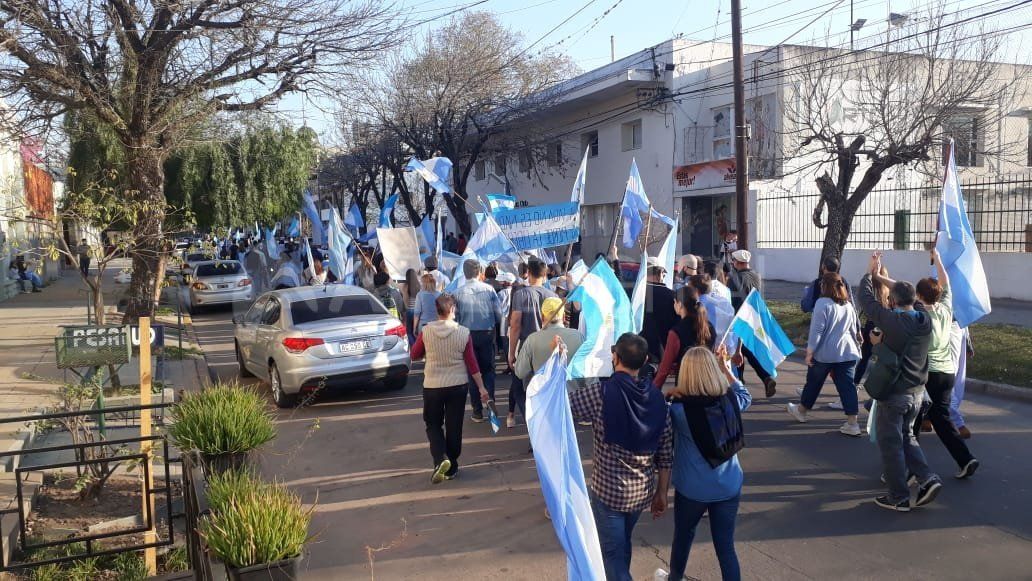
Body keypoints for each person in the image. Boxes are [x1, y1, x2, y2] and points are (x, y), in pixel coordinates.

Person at [569, 333, 672, 581]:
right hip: (641, 493)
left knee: (613, 556)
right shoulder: (657, 398)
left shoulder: (600, 394)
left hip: (609, 493)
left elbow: (562, 405)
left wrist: (557, 363)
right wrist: (662, 493)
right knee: (621, 545)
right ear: (645, 360)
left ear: (615, 358)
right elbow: (666, 453)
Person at [656, 346, 750, 581]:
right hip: (729, 484)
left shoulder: (678, 410)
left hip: (692, 488)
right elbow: (745, 396)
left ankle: (675, 577)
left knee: (683, 536)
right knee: (725, 547)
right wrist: (726, 370)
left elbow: (660, 424)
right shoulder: (729, 400)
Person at [859, 252, 941, 512]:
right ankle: (927, 478)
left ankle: (899, 497)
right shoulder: (923, 318)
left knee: (891, 444)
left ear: (893, 301)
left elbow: (866, 299)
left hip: (894, 393)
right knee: (907, 437)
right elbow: (904, 293)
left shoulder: (891, 320)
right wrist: (880, 275)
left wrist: (869, 274)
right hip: (917, 393)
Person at [911, 249, 979, 478]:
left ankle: (911, 469)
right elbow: (946, 281)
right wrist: (939, 259)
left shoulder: (919, 317)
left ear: (919, 296)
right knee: (941, 419)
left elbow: (901, 295)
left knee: (914, 421)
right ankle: (965, 459)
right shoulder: (946, 308)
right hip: (947, 373)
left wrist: (876, 276)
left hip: (927, 374)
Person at [410, 294, 490, 483]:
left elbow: (414, 355)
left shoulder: (427, 331)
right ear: (452, 309)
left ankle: (440, 458)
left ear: (437, 311)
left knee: (433, 424)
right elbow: (472, 364)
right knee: (454, 426)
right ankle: (452, 466)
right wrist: (482, 388)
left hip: (432, 386)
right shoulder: (463, 332)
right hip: (458, 386)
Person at [786, 273, 864, 436]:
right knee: (848, 387)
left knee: (813, 383)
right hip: (847, 353)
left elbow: (817, 332)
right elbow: (852, 329)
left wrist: (809, 353)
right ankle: (853, 423)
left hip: (825, 353)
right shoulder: (847, 305)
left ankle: (801, 410)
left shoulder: (822, 303)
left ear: (825, 286)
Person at [507, 259, 558, 426]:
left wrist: (511, 352)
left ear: (528, 273)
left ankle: (533, 423)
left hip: (527, 346)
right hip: (549, 346)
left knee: (520, 386)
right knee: (543, 388)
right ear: (545, 275)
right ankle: (543, 423)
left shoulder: (520, 295)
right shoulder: (553, 296)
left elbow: (515, 325)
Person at [453, 259, 502, 422]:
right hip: (487, 334)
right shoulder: (489, 290)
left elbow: (456, 318)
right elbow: (498, 315)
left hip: (467, 335)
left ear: (464, 273)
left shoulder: (457, 292)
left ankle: (477, 411)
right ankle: (491, 406)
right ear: (478, 272)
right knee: (488, 371)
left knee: (473, 372)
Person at [726, 250, 776, 397]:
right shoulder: (756, 275)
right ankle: (766, 378)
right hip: (754, 317)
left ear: (737, 262)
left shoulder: (734, 278)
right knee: (749, 351)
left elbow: (732, 301)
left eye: (733, 261)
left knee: (738, 352)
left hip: (740, 317)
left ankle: (739, 384)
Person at [514, 297, 585, 388]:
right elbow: (588, 372)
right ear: (563, 316)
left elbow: (520, 372)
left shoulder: (532, 340)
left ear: (542, 316)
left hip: (543, 398)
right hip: (572, 398)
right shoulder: (578, 337)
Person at [653, 286, 716, 388]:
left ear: (679, 304)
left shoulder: (676, 332)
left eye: (674, 302)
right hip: (708, 384)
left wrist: (653, 391)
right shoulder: (709, 328)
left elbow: (664, 370)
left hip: (686, 387)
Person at [640, 258, 677, 363]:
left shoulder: (636, 294)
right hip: (663, 353)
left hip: (637, 352)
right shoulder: (672, 296)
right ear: (659, 273)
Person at [400, 268, 422, 343]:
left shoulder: (405, 286)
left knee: (409, 331)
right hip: (418, 311)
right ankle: (417, 345)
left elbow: (405, 299)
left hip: (409, 311)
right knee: (416, 330)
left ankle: (412, 347)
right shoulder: (419, 285)